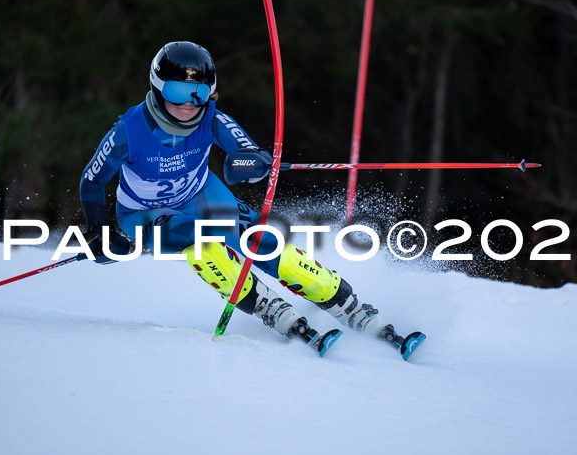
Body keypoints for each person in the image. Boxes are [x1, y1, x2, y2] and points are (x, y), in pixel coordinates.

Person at [80, 41, 424, 359]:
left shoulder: (212, 119)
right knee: (199, 243)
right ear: (157, 86)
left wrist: (254, 163)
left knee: (259, 239)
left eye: (199, 92)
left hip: (200, 194)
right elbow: (92, 178)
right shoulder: (128, 131)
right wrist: (98, 228)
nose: (188, 102)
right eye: (177, 90)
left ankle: (346, 303)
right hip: (143, 213)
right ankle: (266, 305)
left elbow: (245, 151)